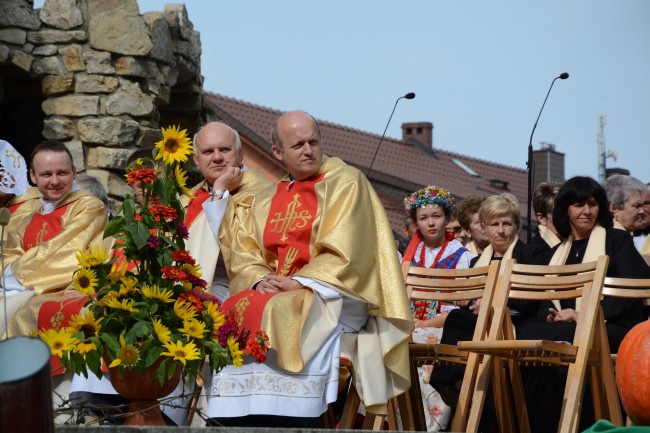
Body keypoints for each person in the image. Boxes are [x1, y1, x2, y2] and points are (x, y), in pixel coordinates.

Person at [206, 111, 413, 426]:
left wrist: (301, 283)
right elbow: (242, 247)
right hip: (282, 292)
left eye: (313, 142)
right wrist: (260, 279)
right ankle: (237, 416)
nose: (308, 150)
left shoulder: (346, 181)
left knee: (281, 310)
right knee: (235, 307)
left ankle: (292, 419)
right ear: (278, 153)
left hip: (335, 293)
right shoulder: (267, 197)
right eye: (298, 144)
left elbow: (349, 251)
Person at [517, 176, 649, 433]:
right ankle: (539, 422)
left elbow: (628, 291)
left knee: (566, 336)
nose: (586, 211)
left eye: (592, 204)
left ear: (600, 207)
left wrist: (584, 315)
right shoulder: (558, 252)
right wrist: (551, 314)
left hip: (612, 326)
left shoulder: (615, 240)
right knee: (526, 330)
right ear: (565, 209)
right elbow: (546, 297)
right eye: (578, 205)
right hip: (568, 329)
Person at [428, 193, 547, 425]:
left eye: (507, 223)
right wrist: (468, 301)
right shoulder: (476, 263)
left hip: (518, 324)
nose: (501, 230)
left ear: (517, 226)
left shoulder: (532, 254)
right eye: (494, 224)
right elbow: (473, 302)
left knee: (460, 322)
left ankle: (456, 382)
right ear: (484, 227)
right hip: (485, 326)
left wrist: (494, 301)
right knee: (457, 315)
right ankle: (455, 382)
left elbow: (532, 300)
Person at [401, 185, 474, 431]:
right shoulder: (409, 256)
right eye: (423, 218)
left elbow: (459, 310)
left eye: (436, 216)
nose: (431, 223)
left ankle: (431, 425)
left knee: (422, 343)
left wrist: (423, 324)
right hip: (410, 324)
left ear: (448, 218)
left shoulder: (461, 256)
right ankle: (401, 419)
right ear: (415, 222)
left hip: (441, 326)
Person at [184, 121, 272, 303]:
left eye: (224, 150)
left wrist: (220, 190)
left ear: (240, 155)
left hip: (244, 285)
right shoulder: (187, 198)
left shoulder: (265, 193)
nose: (216, 157)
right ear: (196, 161)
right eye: (208, 152)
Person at [530, 182, 562, 248]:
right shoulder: (534, 253)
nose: (565, 217)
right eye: (557, 213)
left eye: (566, 211)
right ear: (541, 218)